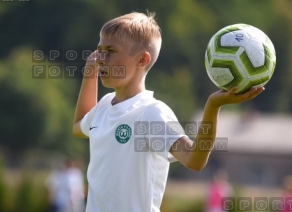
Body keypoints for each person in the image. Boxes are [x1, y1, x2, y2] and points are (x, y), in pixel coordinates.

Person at [72, 12, 264, 212]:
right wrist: (90, 72)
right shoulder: (103, 106)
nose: (100, 58)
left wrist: (213, 106)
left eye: (110, 51)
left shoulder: (152, 112)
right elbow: (79, 126)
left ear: (142, 60)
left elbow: (194, 160)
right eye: (99, 50)